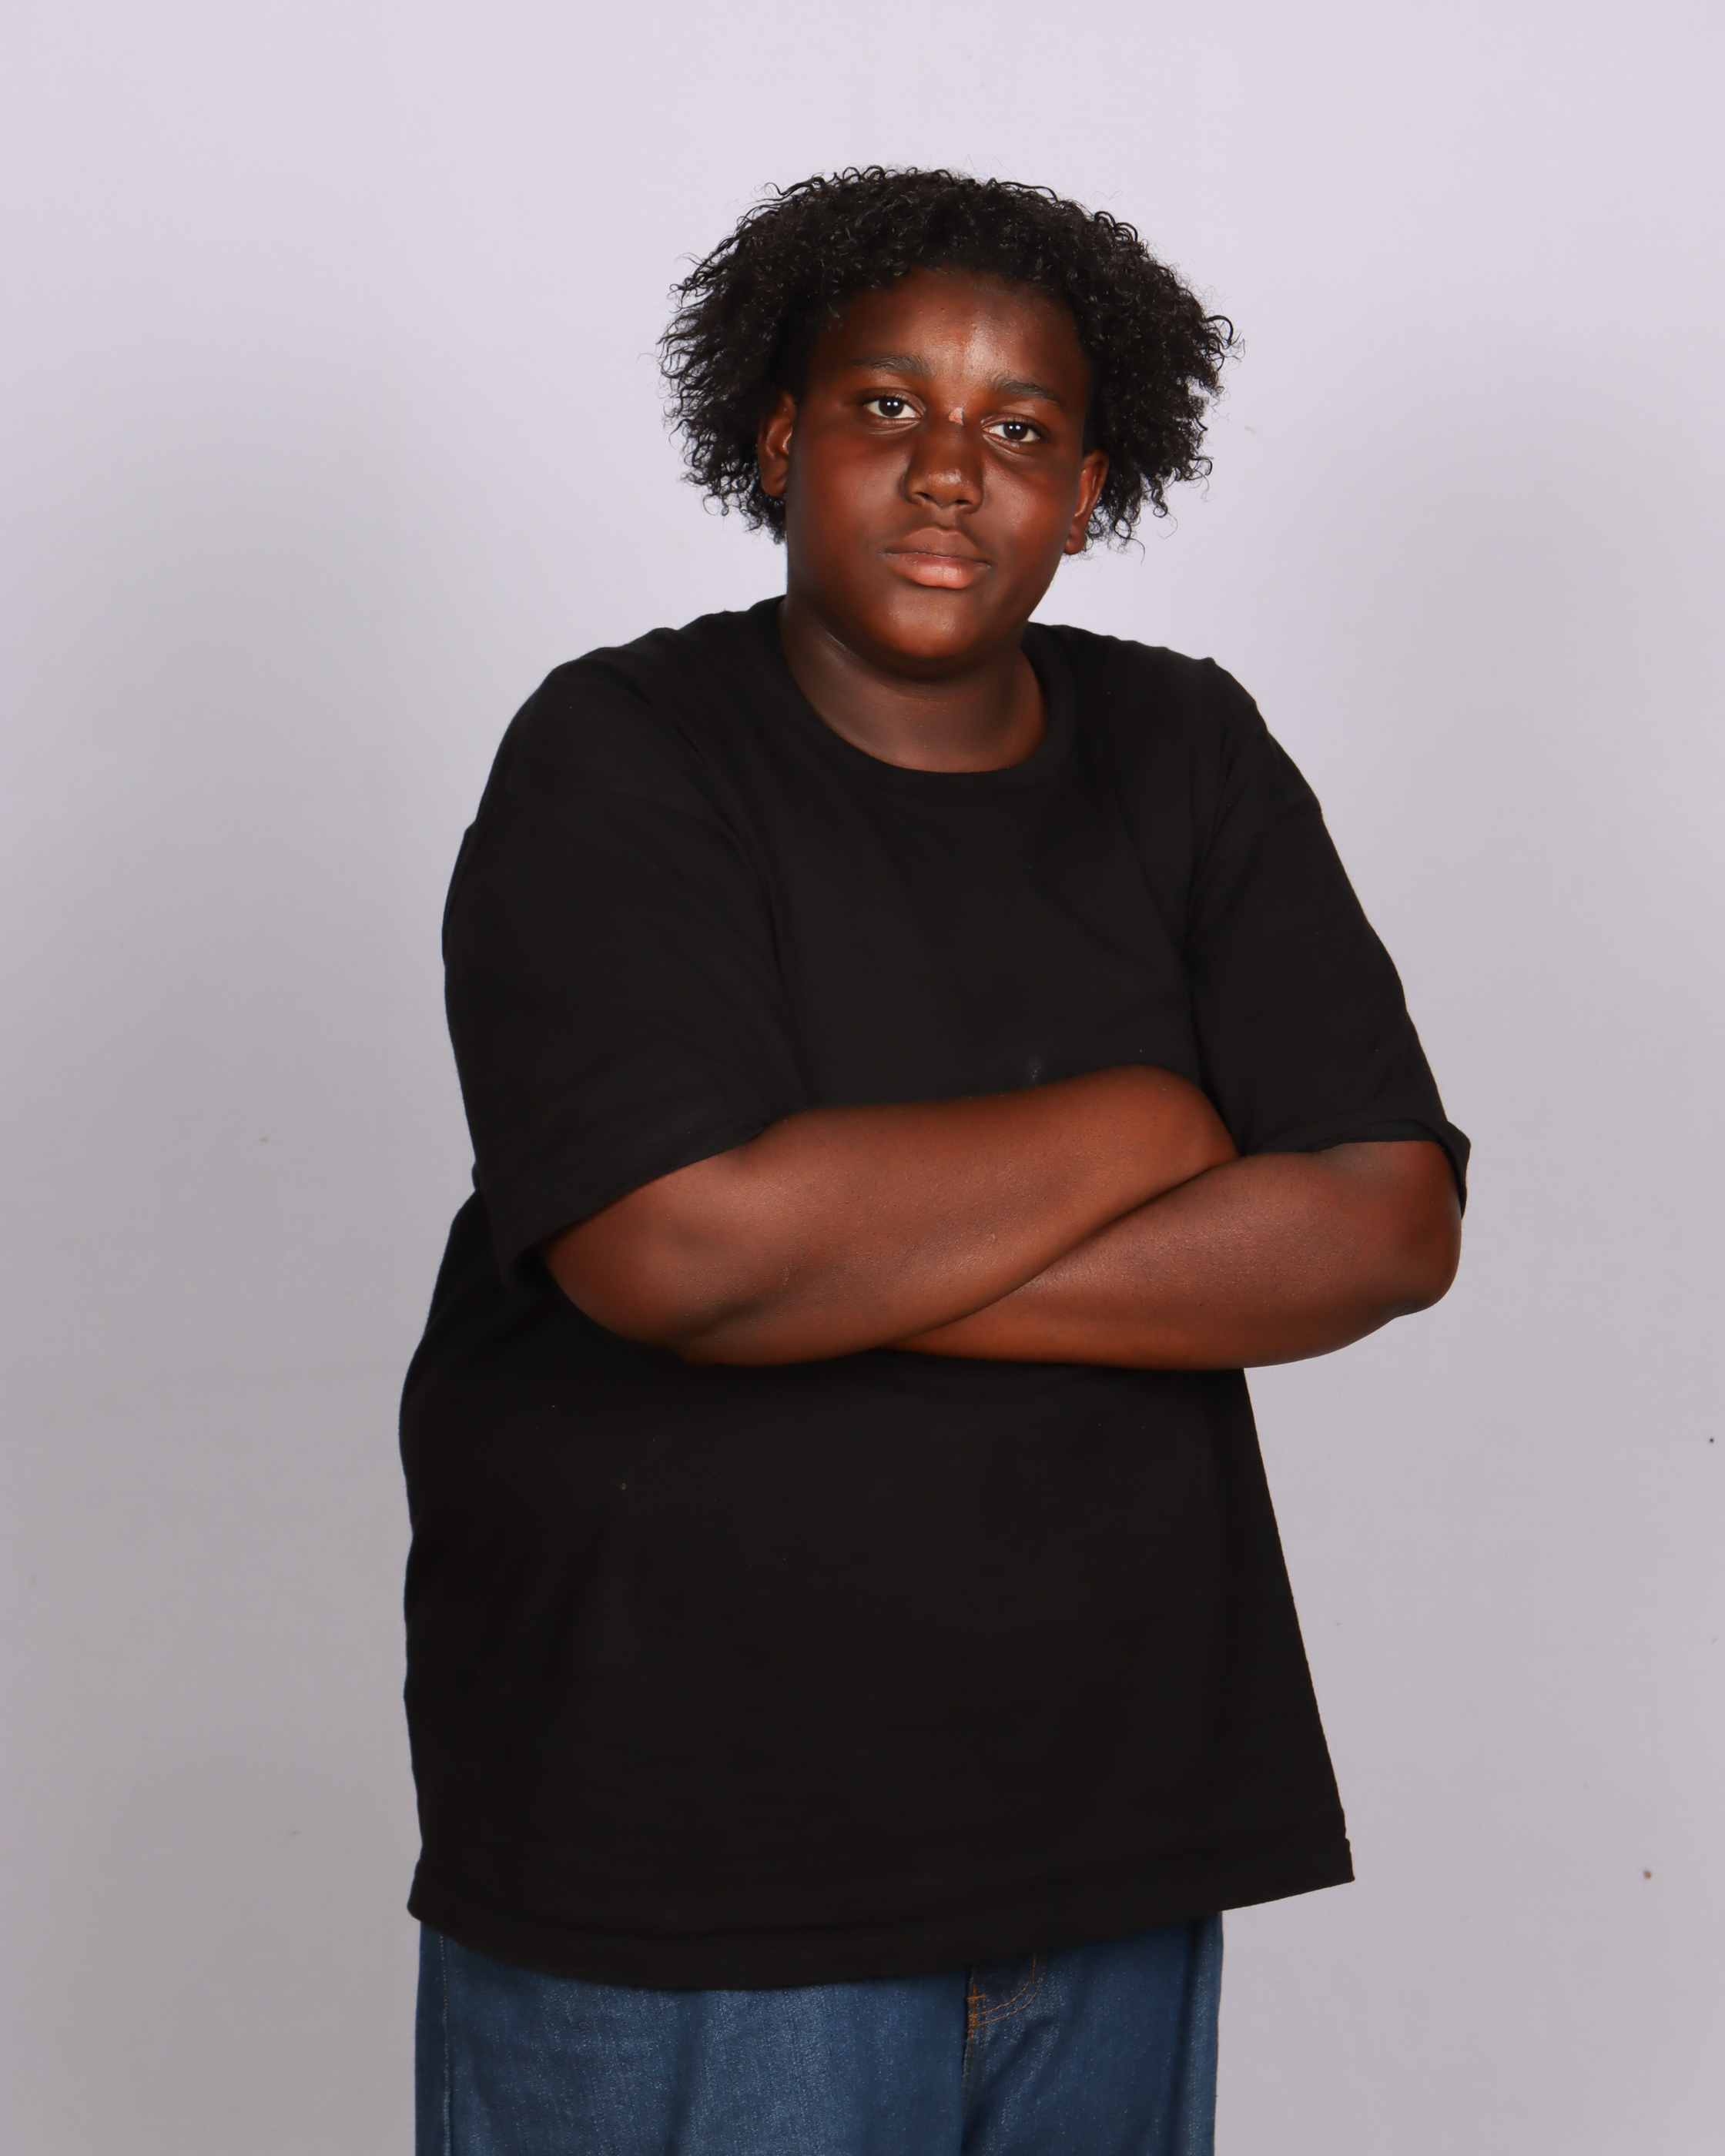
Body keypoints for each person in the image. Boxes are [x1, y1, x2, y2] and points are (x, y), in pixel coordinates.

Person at [400, 168, 1468, 2155]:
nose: (953, 471)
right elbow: (670, 1253)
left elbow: (1386, 1222)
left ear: (1091, 490)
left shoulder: (1186, 751)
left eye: (1023, 429)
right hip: (690, 1854)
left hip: (1109, 1824)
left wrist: (834, 1268)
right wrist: (1152, 1126)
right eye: (887, 405)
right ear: (778, 437)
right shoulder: (622, 752)